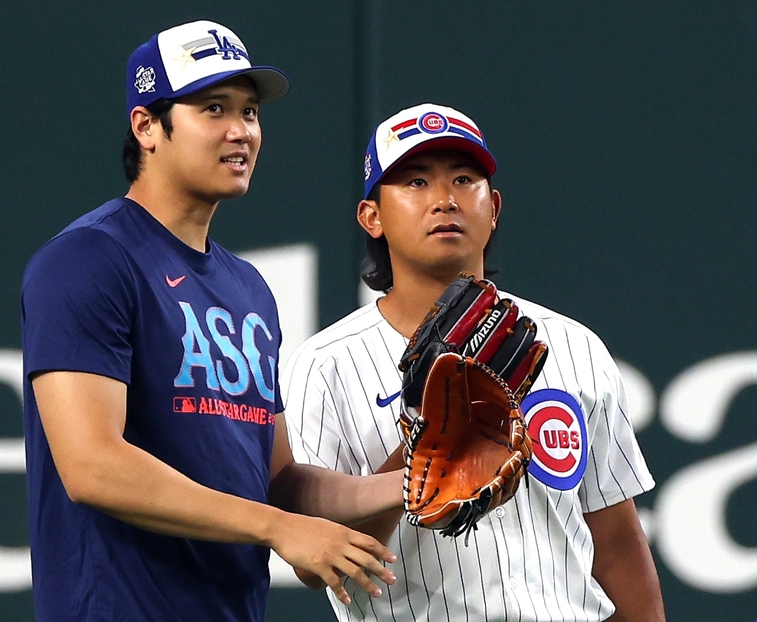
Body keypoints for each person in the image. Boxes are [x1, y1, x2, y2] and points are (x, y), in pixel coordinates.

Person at [21, 20, 403, 622]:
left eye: (250, 112)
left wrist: (409, 479)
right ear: (147, 126)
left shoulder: (247, 289)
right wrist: (278, 528)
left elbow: (277, 479)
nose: (241, 131)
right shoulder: (87, 260)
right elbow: (92, 466)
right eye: (213, 108)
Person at [281, 103, 666, 621]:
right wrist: (430, 439)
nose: (444, 200)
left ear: (494, 206)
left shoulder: (572, 345)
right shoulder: (325, 364)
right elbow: (314, 564)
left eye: (464, 179)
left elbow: (617, 544)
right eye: (415, 182)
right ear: (371, 217)